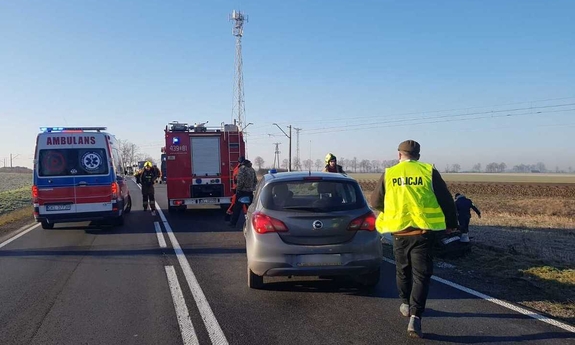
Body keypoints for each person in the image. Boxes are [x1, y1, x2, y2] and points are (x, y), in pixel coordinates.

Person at [370, 140, 458, 338]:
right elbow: (445, 199)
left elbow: (375, 201)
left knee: (403, 270)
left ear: (399, 154)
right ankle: (416, 317)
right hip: (423, 233)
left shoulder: (390, 173)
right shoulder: (428, 171)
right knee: (421, 275)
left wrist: (393, 209)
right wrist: (451, 223)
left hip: (399, 233)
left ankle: (405, 303)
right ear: (418, 155)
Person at [229, 159, 258, 227]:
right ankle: (253, 224)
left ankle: (233, 223)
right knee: (251, 208)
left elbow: (240, 180)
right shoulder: (252, 169)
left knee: (237, 208)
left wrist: (238, 188)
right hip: (250, 192)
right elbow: (255, 181)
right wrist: (251, 188)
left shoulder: (242, 169)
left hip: (241, 191)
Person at [225, 156, 247, 221]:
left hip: (237, 188)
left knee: (236, 203)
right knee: (245, 202)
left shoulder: (237, 169)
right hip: (240, 188)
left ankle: (228, 215)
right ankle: (246, 216)